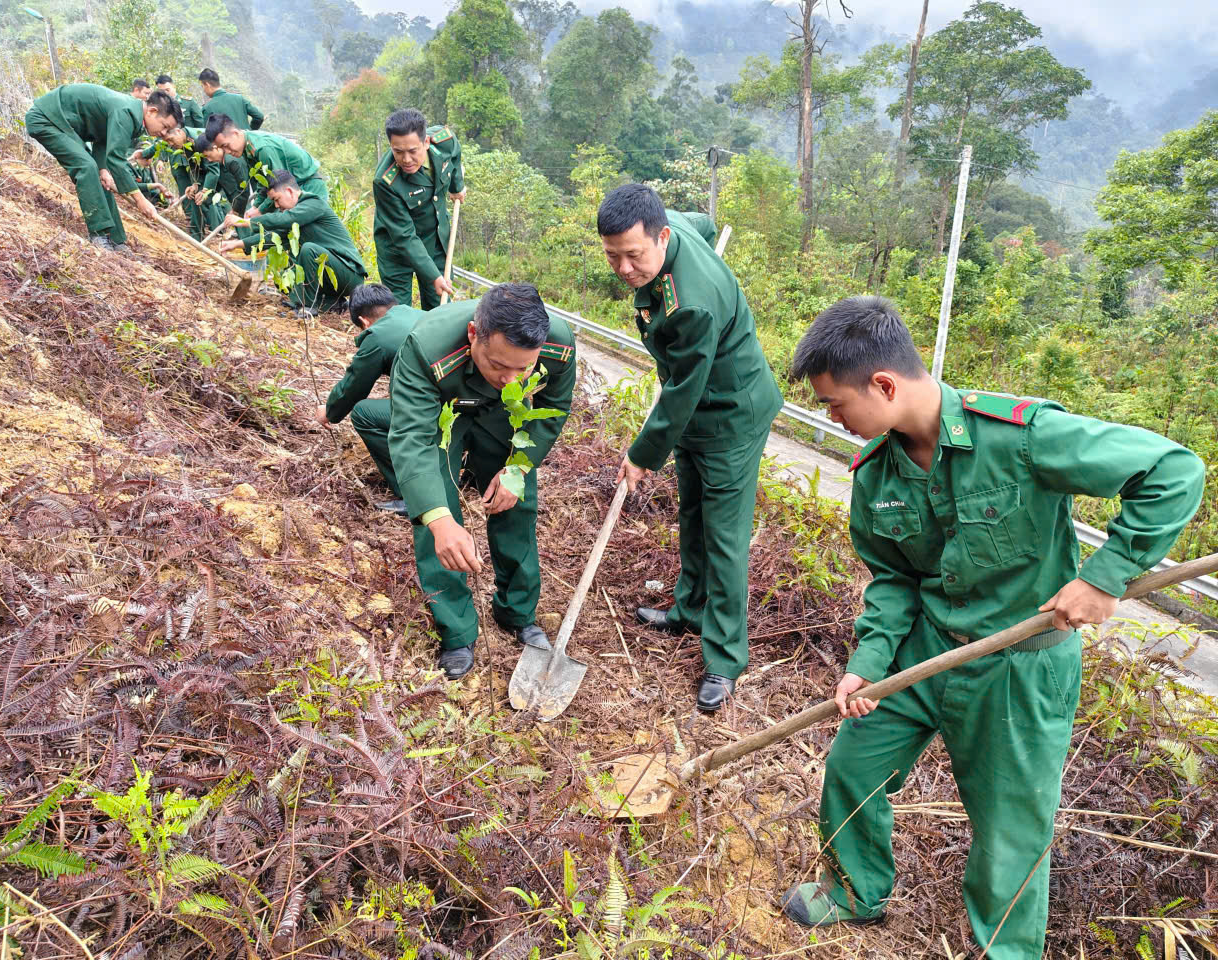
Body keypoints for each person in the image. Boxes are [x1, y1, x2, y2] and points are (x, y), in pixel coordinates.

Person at [780, 296, 1205, 958]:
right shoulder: (876, 473)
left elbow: (1173, 471)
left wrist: (1105, 576)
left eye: (835, 404)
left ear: (884, 385)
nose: (832, 416)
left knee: (1009, 830)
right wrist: (869, 660)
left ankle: (1005, 950)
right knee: (853, 767)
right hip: (924, 653)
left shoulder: (1020, 436)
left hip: (1018, 665)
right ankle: (856, 893)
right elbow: (893, 579)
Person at [596, 184, 782, 712]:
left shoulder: (693, 306)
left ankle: (725, 658)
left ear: (661, 237)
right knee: (693, 513)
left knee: (724, 537)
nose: (624, 268)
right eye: (613, 255)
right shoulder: (673, 223)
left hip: (731, 415)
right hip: (696, 415)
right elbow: (703, 222)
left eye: (634, 255)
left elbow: (682, 390)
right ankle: (689, 610)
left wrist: (641, 454)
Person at [388, 283, 576, 677]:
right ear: (474, 334)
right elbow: (411, 439)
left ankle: (517, 612)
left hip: (503, 415)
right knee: (435, 509)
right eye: (498, 365)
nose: (511, 379)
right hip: (443, 411)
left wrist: (518, 469)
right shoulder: (427, 348)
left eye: (523, 369)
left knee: (516, 503)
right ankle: (456, 630)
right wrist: (439, 520)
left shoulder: (558, 344)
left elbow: (554, 406)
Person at [25, 83, 182, 252]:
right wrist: (140, 199)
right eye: (165, 126)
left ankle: (117, 240)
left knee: (100, 178)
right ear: (152, 111)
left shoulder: (134, 116)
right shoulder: (126, 111)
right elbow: (116, 160)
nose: (164, 133)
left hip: (64, 126)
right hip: (46, 119)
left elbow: (103, 138)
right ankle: (98, 235)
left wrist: (103, 169)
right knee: (86, 167)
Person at [315, 285, 424, 514]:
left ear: (364, 322)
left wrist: (330, 411)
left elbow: (355, 385)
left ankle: (413, 493)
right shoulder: (416, 314)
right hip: (463, 402)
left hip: (432, 409)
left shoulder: (378, 336)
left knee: (364, 413)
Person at [217, 170, 366, 311]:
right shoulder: (296, 215)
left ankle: (308, 307)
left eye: (277, 199)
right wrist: (237, 244)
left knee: (309, 249)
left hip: (349, 273)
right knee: (284, 278)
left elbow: (285, 219)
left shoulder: (313, 203)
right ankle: (333, 303)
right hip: (328, 273)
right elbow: (273, 237)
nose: (276, 205)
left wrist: (245, 222)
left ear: (289, 191)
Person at [372, 108, 465, 311]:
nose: (406, 159)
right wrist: (433, 276)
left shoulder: (444, 140)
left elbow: (455, 154)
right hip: (397, 250)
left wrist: (456, 187)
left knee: (439, 309)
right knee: (399, 313)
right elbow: (404, 236)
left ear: (426, 142)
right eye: (398, 152)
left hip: (435, 239)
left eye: (413, 151)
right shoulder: (385, 182)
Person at [201, 114, 326, 215]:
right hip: (293, 188)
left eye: (226, 145)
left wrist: (261, 210)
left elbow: (278, 185)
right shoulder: (246, 148)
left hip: (308, 184)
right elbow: (264, 182)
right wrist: (256, 206)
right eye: (222, 148)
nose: (227, 152)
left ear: (235, 133)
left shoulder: (262, 149)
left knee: (314, 229)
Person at [133, 125, 210, 239]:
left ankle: (207, 229)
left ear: (178, 131)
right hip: (185, 166)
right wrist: (146, 154)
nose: (170, 144)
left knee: (206, 196)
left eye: (171, 140)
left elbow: (212, 169)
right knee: (192, 196)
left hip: (207, 166)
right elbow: (161, 143)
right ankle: (197, 232)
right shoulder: (173, 138)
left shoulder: (196, 138)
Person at [192, 134, 251, 227]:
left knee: (246, 229)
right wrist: (205, 193)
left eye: (208, 156)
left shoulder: (232, 160)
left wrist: (236, 211)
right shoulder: (222, 162)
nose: (209, 160)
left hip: (242, 204)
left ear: (215, 147)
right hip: (236, 202)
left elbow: (244, 189)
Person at [198, 68, 263, 130]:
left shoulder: (208, 107)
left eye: (202, 86)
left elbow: (206, 133)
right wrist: (249, 132)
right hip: (245, 137)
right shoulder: (240, 98)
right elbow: (259, 117)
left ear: (207, 85)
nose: (203, 90)